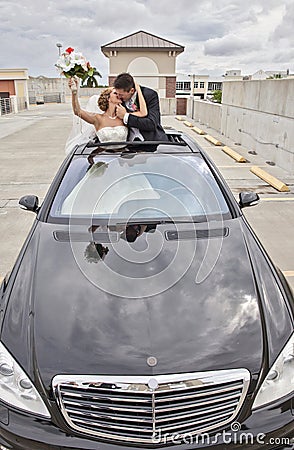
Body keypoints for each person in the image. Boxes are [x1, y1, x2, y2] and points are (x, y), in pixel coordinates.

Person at [65, 77, 148, 154]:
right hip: (104, 158)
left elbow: (143, 113)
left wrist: (138, 90)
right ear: (108, 98)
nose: (119, 95)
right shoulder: (98, 119)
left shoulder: (123, 116)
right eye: (115, 93)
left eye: (120, 94)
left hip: (123, 159)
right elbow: (77, 111)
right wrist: (74, 92)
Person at [114, 72, 168, 144]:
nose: (118, 97)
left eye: (121, 95)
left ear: (132, 91)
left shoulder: (150, 95)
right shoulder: (117, 98)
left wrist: (126, 116)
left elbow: (152, 124)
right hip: (129, 146)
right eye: (117, 94)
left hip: (152, 144)